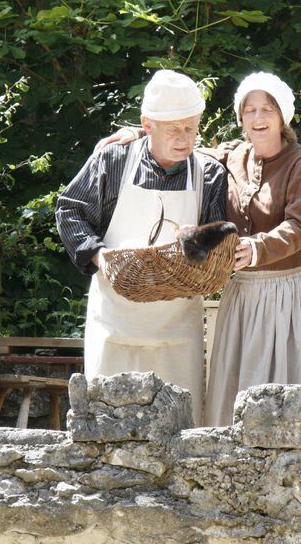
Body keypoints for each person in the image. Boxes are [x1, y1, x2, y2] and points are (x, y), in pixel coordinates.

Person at [99, 72, 301, 437]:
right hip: (245, 296)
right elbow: (179, 142)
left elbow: (300, 227)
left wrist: (256, 248)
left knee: (298, 388)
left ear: (283, 115)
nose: (258, 118)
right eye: (249, 110)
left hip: (294, 293)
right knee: (241, 389)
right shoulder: (231, 157)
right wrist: (138, 134)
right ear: (240, 118)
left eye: (267, 109)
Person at [55, 70, 228, 424]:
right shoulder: (113, 161)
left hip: (178, 328)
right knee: (106, 425)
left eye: (191, 128)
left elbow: (218, 243)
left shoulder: (209, 173)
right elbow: (70, 209)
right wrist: (100, 257)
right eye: (173, 129)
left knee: (182, 428)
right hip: (116, 320)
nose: (184, 139)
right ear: (147, 124)